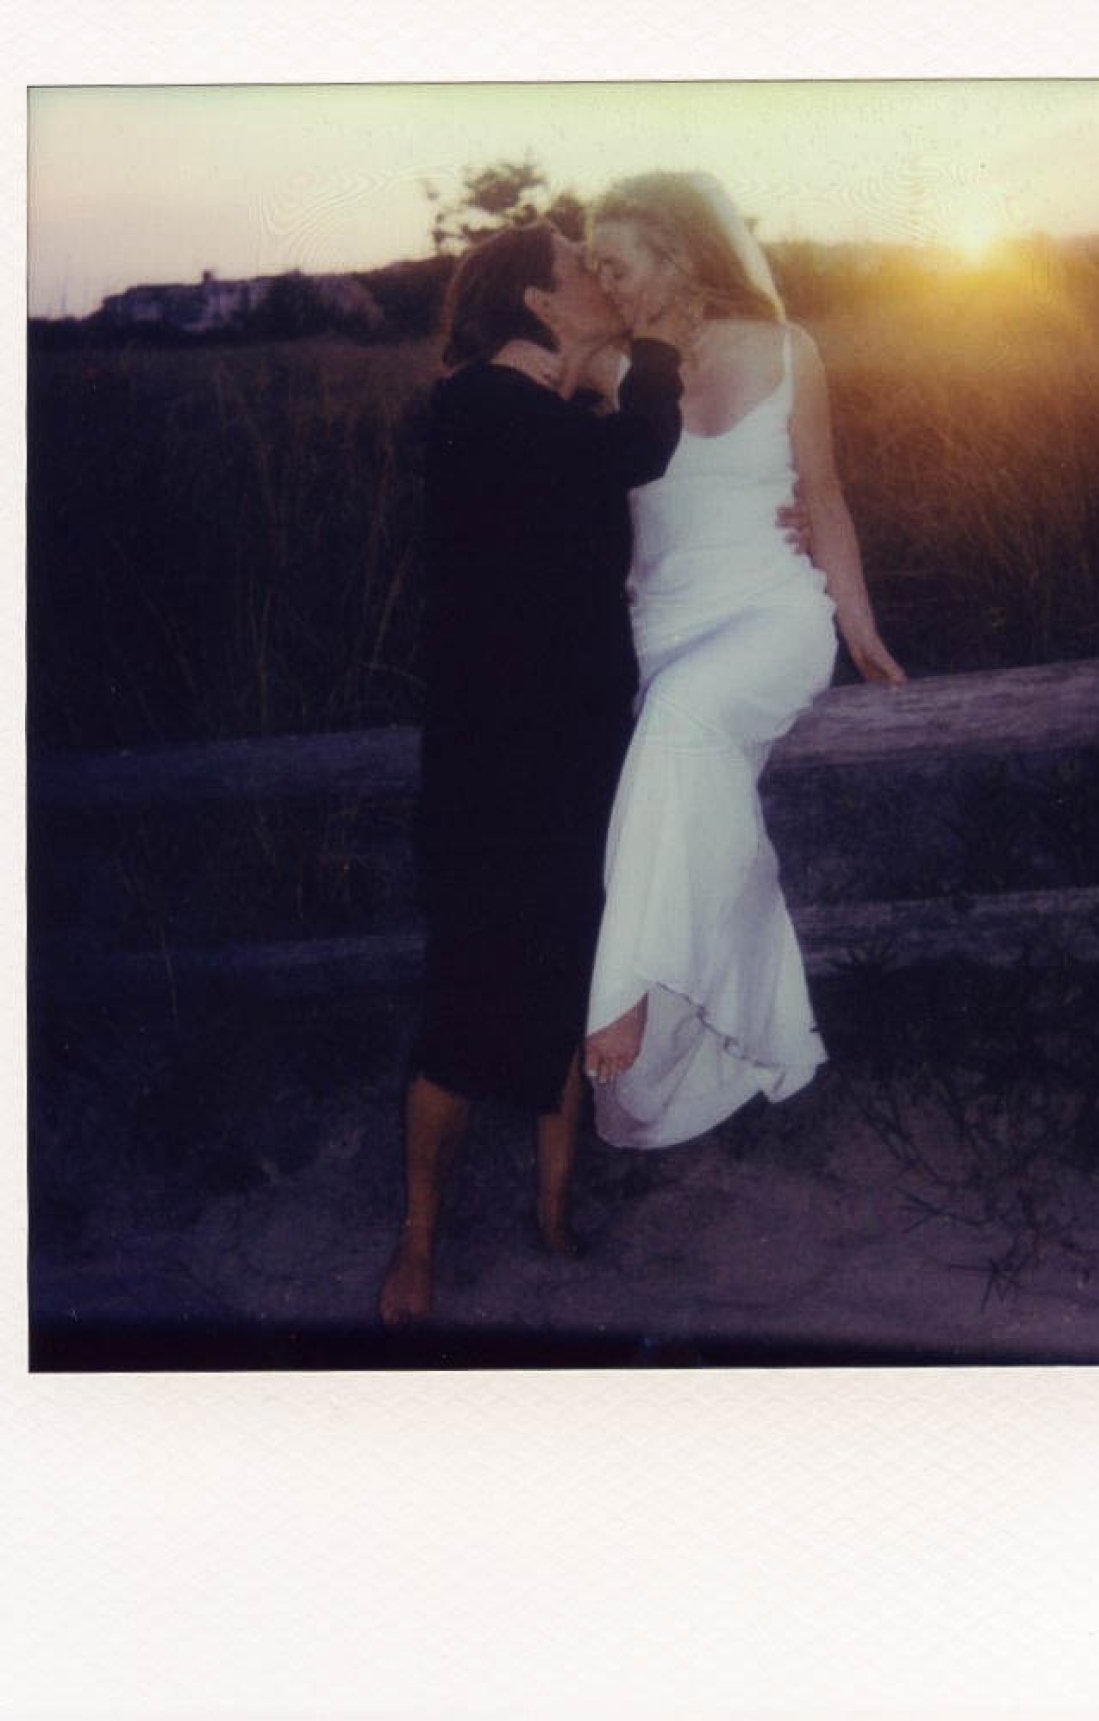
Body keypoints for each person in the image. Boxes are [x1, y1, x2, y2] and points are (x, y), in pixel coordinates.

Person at [378, 220, 691, 1324]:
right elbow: (636, 451)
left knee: (568, 981)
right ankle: (415, 1244)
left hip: (574, 756)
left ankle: (553, 1213)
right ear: (541, 306)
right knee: (467, 1014)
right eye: (581, 274)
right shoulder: (476, 410)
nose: (600, 284)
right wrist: (650, 341)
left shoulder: (548, 415)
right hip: (492, 776)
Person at [582, 172, 907, 1149]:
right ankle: (678, 1076)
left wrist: (860, 633)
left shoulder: (787, 350)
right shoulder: (609, 366)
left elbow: (827, 496)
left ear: (679, 257)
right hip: (657, 627)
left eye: (616, 261)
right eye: (591, 264)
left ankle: (620, 993)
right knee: (682, 789)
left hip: (772, 614)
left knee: (678, 716)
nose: (602, 280)